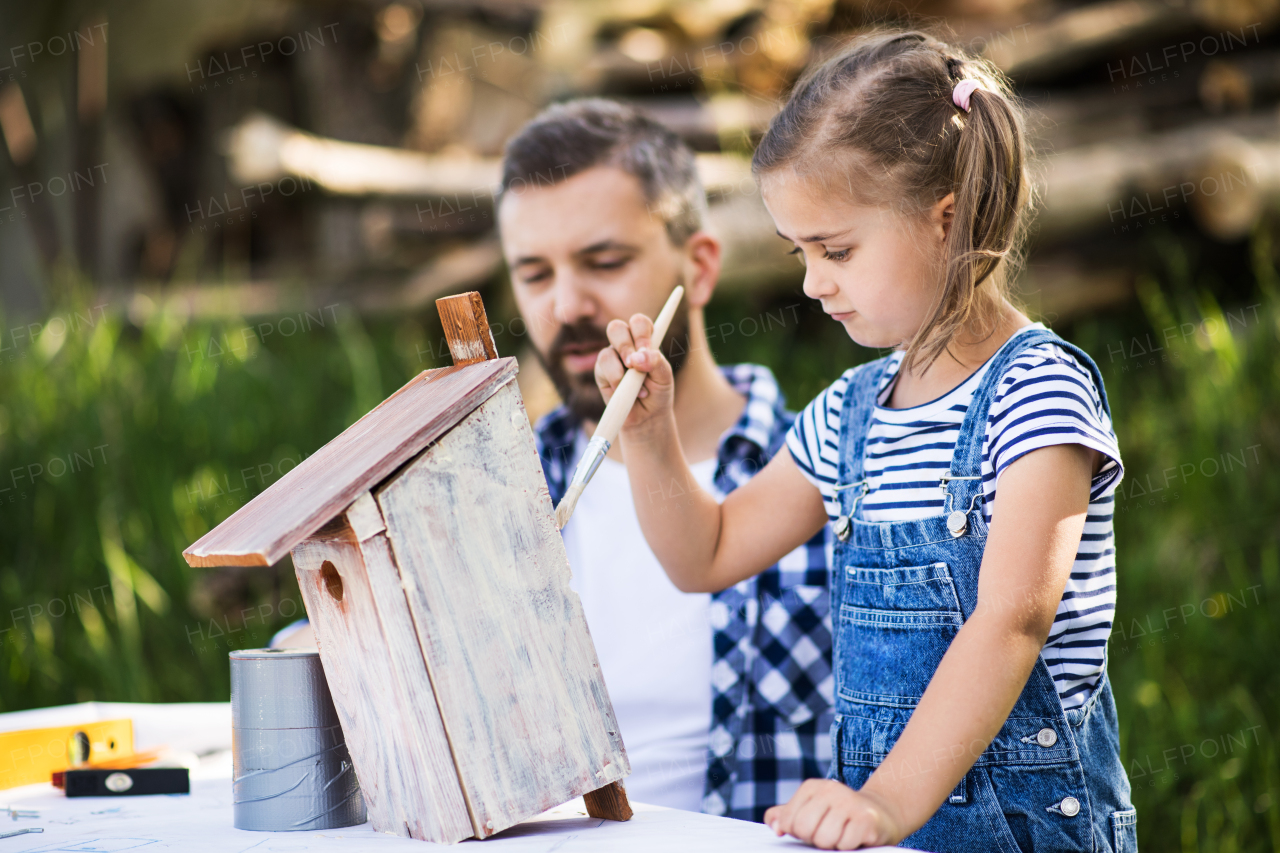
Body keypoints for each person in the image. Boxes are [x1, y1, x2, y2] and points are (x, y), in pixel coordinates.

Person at [593, 31, 1136, 852]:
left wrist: (884, 801)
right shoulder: (851, 412)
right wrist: (650, 435)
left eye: (836, 249)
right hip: (886, 833)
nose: (812, 282)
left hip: (1023, 834)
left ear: (945, 221)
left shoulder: (1036, 392)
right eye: (800, 253)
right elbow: (704, 553)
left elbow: (1010, 621)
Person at [496, 99, 833, 820]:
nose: (566, 304)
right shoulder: (494, 491)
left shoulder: (830, 473)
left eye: (605, 260)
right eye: (533, 273)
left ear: (699, 267)